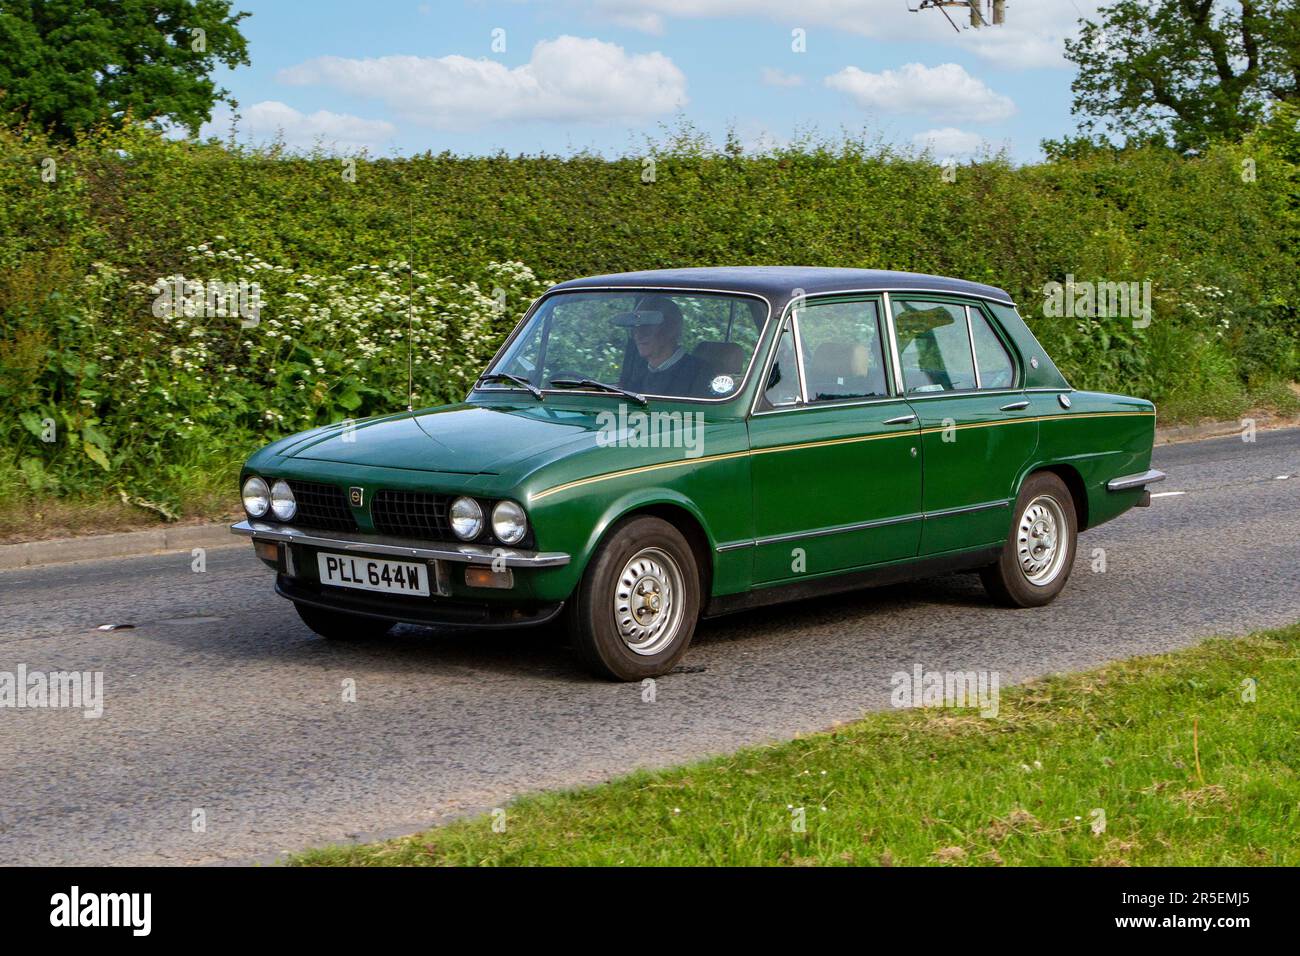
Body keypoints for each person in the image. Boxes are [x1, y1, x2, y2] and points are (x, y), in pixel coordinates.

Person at [615, 295, 710, 397]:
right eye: (635, 327)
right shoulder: (636, 370)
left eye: (647, 326)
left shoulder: (699, 373)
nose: (638, 334)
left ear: (671, 329)